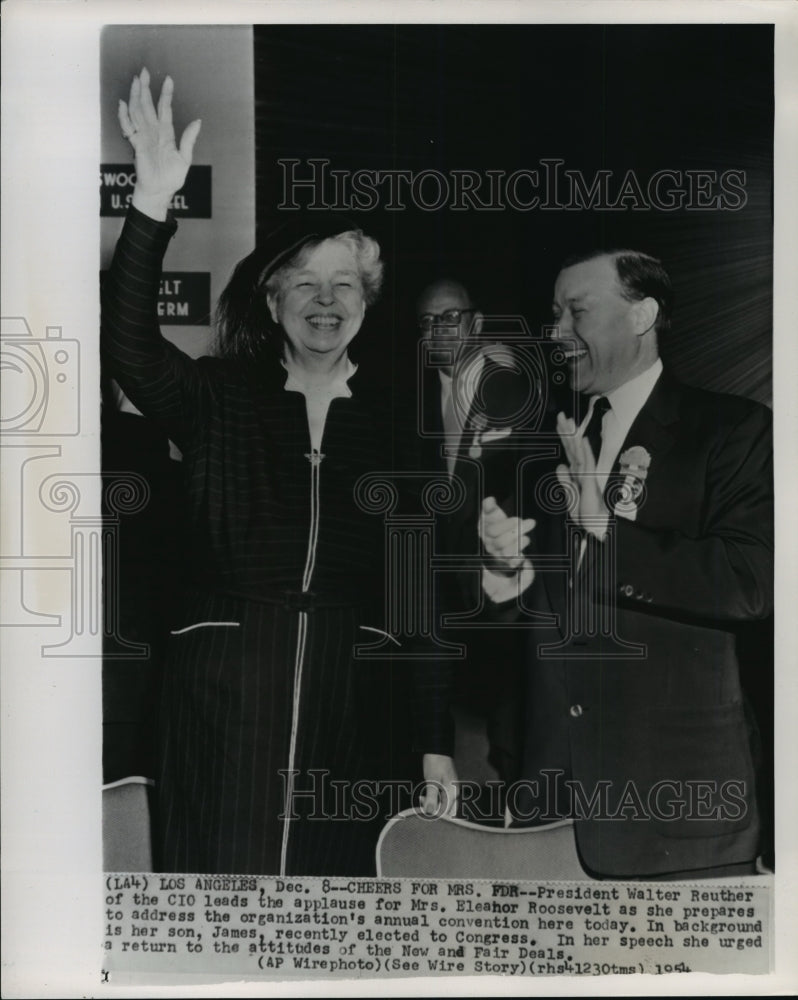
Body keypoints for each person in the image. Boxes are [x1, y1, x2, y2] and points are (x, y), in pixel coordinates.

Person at [102, 69, 407, 876]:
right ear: (272, 302)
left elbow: (418, 596)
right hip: (221, 690)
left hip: (349, 699)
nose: (325, 298)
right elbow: (129, 347)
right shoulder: (218, 398)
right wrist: (152, 203)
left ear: (367, 305)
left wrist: (436, 743)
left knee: (329, 898)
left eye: (345, 283)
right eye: (303, 282)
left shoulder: (392, 426)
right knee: (218, 884)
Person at [437, 249, 773, 878]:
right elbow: (495, 630)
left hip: (678, 817)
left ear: (642, 314)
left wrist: (603, 532)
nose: (557, 331)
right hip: (546, 808)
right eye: (554, 312)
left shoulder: (733, 431)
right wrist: (505, 575)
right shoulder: (536, 449)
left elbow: (753, 584)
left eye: (577, 312)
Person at [413, 279, 537, 820]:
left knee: (514, 731)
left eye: (451, 317)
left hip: (506, 589)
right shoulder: (404, 396)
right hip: (435, 592)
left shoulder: (512, 386)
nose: (439, 329)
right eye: (428, 321)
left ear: (477, 322)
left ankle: (521, 809)